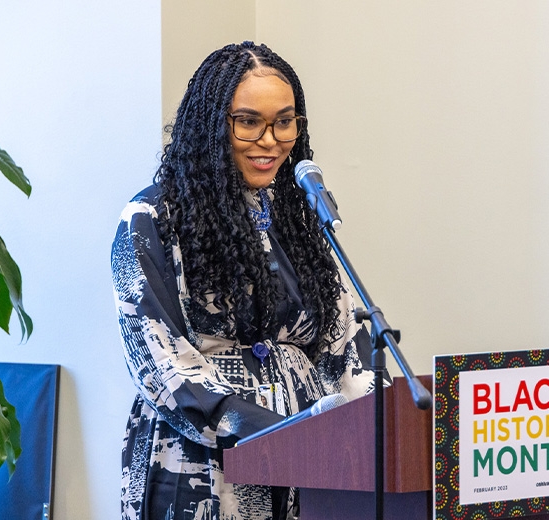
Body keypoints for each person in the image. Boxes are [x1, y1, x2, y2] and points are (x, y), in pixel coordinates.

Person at [111, 41, 376, 520]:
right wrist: (280, 432)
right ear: (212, 125)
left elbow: (345, 342)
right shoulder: (153, 217)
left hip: (309, 470)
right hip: (201, 464)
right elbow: (158, 361)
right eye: (249, 121)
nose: (271, 140)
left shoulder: (297, 216)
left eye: (285, 120)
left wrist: (376, 428)